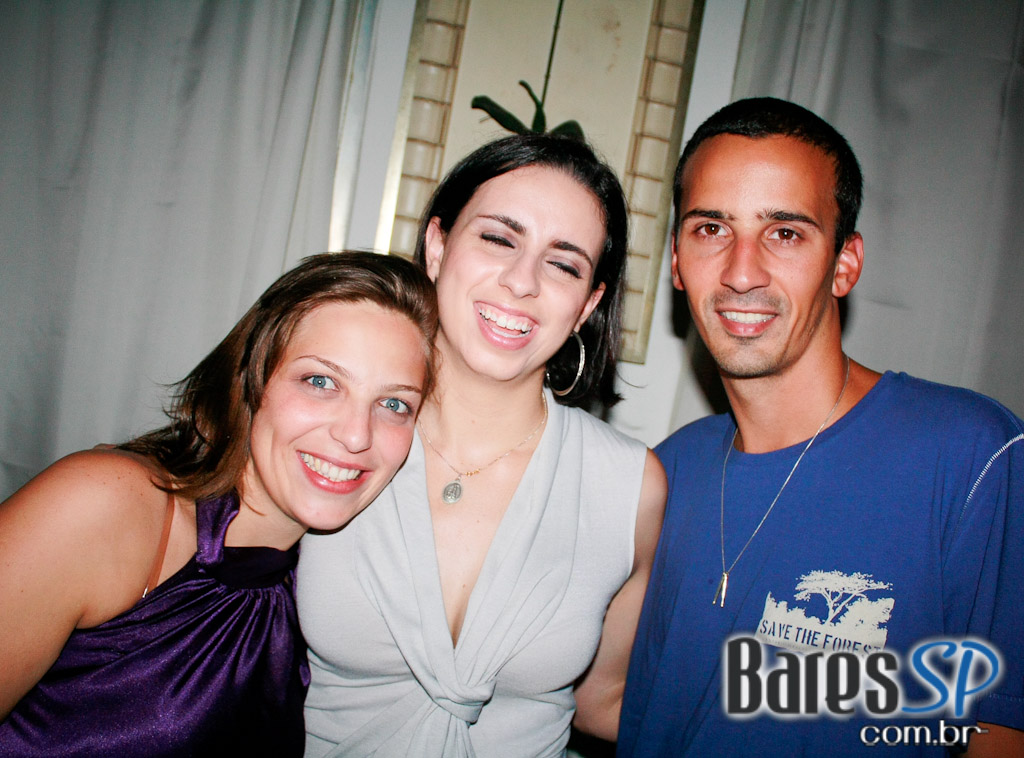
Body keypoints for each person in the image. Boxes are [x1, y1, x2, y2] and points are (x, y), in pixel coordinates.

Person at [618, 97, 1024, 756]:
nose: (741, 272)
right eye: (711, 228)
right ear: (676, 261)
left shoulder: (970, 456)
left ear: (844, 264)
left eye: (784, 233)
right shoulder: (663, 475)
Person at [298, 133, 667, 757]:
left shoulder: (629, 487)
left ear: (588, 304)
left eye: (564, 264)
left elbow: (606, 704)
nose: (522, 281)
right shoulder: (333, 433)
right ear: (438, 246)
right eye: (499, 238)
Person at [0, 252, 438, 757]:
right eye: (320, 382)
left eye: (394, 404)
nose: (357, 435)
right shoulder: (106, 506)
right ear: (253, 378)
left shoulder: (326, 590)